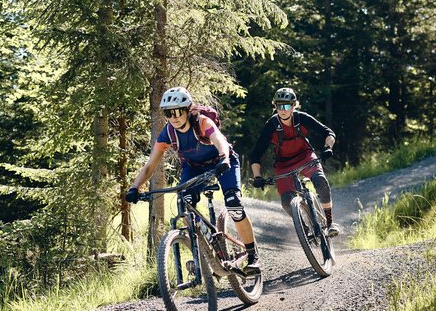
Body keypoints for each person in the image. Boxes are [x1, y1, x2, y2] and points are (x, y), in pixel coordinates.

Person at [125, 86, 260, 274]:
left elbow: (219, 139)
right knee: (185, 204)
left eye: (178, 111)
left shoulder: (201, 122)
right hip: (194, 167)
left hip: (221, 162)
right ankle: (203, 253)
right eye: (168, 113)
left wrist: (225, 158)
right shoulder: (167, 134)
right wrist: (134, 187)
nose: (174, 117)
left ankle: (253, 255)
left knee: (234, 205)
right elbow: (149, 166)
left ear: (188, 109)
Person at [249, 87, 340, 237]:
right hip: (283, 164)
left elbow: (328, 133)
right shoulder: (271, 125)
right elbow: (256, 154)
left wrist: (328, 148)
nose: (282, 110)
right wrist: (257, 177)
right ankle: (303, 229)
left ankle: (330, 223)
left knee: (320, 181)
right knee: (286, 201)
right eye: (279, 106)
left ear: (293, 106)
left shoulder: (301, 118)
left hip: (305, 156)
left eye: (286, 106)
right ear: (275, 106)